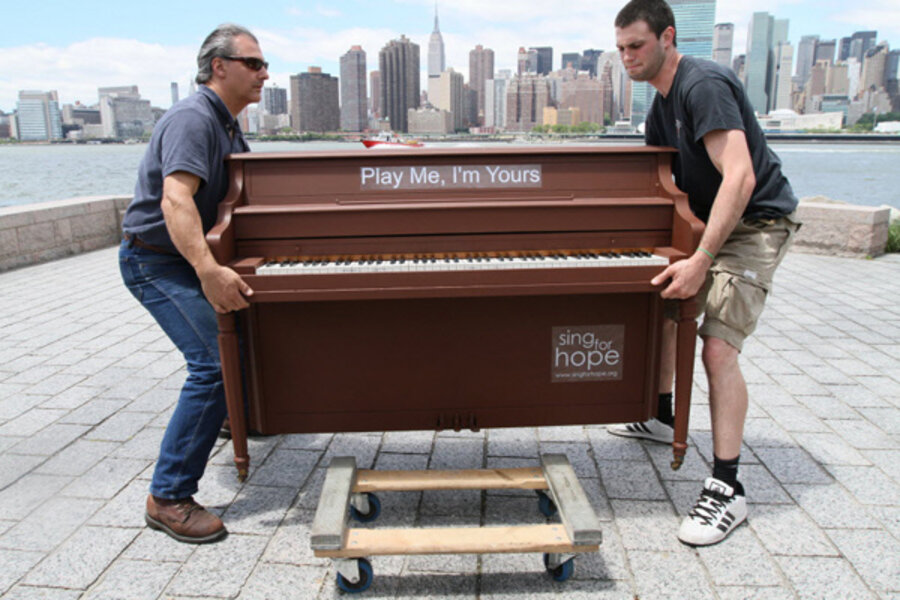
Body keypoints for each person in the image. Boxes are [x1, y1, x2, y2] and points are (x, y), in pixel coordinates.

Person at [608, 0, 800, 546]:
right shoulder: (660, 105)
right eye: (621, 49)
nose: (627, 58)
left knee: (717, 347)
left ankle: (727, 487)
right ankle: (663, 416)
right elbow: (655, 185)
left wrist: (703, 260)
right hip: (708, 223)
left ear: (668, 37)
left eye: (637, 46)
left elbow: (738, 179)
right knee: (666, 305)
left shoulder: (702, 84)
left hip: (754, 223)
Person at [119, 24, 268, 543]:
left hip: (183, 257)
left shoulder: (227, 124)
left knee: (248, 339)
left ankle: (229, 415)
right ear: (218, 67)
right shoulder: (193, 118)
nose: (264, 73)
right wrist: (208, 271)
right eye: (253, 63)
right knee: (212, 362)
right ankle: (168, 496)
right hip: (156, 262)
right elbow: (176, 201)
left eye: (263, 64)